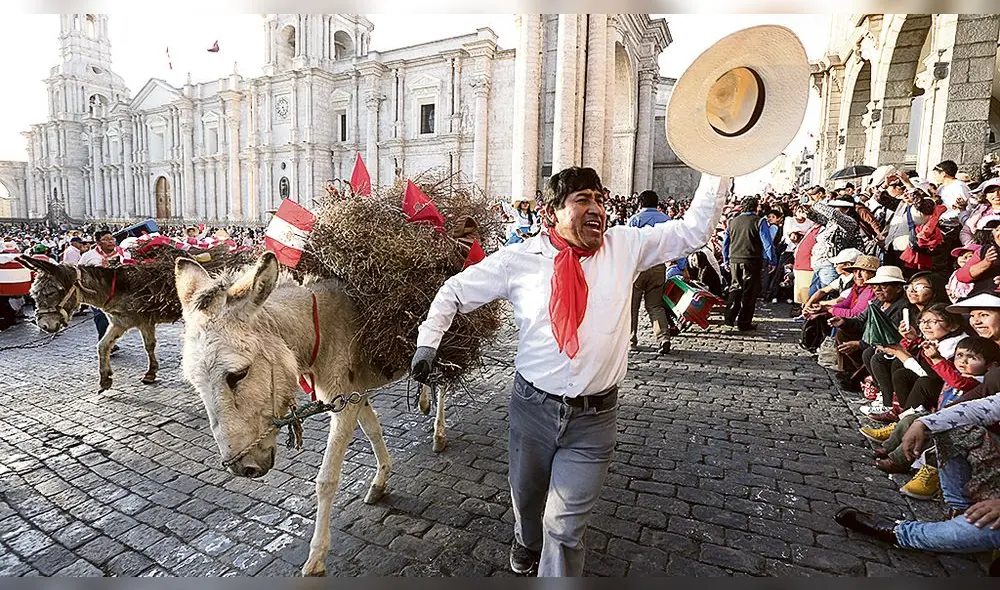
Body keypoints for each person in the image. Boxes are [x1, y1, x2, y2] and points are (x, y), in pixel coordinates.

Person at [410, 167, 729, 576]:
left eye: (599, 199)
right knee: (527, 499)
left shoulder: (626, 246)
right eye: (582, 200)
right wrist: (427, 343)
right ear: (551, 212)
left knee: (562, 528)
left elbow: (694, 230)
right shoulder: (519, 260)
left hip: (594, 422)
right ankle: (526, 539)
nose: (596, 208)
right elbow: (454, 291)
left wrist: (718, 160)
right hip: (532, 410)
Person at [627, 190, 673, 354]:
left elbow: (628, 245)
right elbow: (673, 244)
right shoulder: (667, 220)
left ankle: (631, 340)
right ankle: (663, 337)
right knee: (655, 305)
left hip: (638, 268)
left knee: (632, 306)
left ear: (640, 203)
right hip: (658, 267)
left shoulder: (635, 220)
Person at [722, 197, 774, 331]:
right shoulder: (759, 221)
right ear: (756, 207)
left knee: (735, 287)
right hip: (751, 260)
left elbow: (726, 243)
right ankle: (744, 322)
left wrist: (725, 259)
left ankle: (729, 317)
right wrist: (772, 260)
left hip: (734, 259)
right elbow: (767, 243)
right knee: (749, 292)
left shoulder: (732, 221)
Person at [79, 230, 124, 346]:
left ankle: (111, 339)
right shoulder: (88, 256)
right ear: (98, 242)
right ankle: (106, 343)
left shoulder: (122, 253)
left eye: (112, 239)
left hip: (118, 292)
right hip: (96, 293)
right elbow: (80, 273)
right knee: (101, 316)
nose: (110, 242)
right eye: (106, 239)